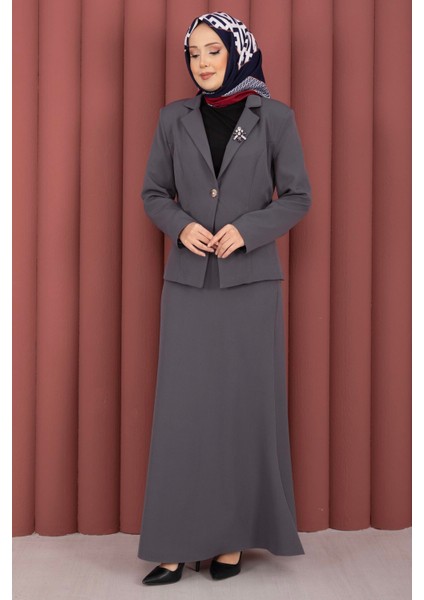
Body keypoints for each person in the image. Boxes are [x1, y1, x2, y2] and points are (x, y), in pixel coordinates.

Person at [138, 11, 312, 586]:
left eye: (213, 50)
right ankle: (172, 546)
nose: (203, 62)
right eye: (194, 53)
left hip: (250, 288)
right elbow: (154, 192)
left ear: (238, 52)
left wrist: (248, 230)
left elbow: (298, 196)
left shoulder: (275, 118)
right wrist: (181, 225)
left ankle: (231, 540)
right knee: (184, 415)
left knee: (240, 413)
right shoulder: (173, 118)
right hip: (189, 285)